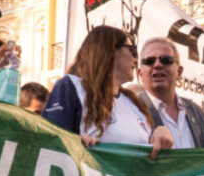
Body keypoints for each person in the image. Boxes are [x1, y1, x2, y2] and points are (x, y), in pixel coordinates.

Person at [42, 25, 172, 158]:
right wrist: (76, 141)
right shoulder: (71, 87)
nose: (135, 59)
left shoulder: (134, 102)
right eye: (131, 50)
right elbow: (50, 140)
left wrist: (160, 131)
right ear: (110, 50)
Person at [136, 37, 204, 149]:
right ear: (140, 74)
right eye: (149, 61)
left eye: (166, 60)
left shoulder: (196, 112)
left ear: (179, 72)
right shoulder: (133, 109)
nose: (157, 65)